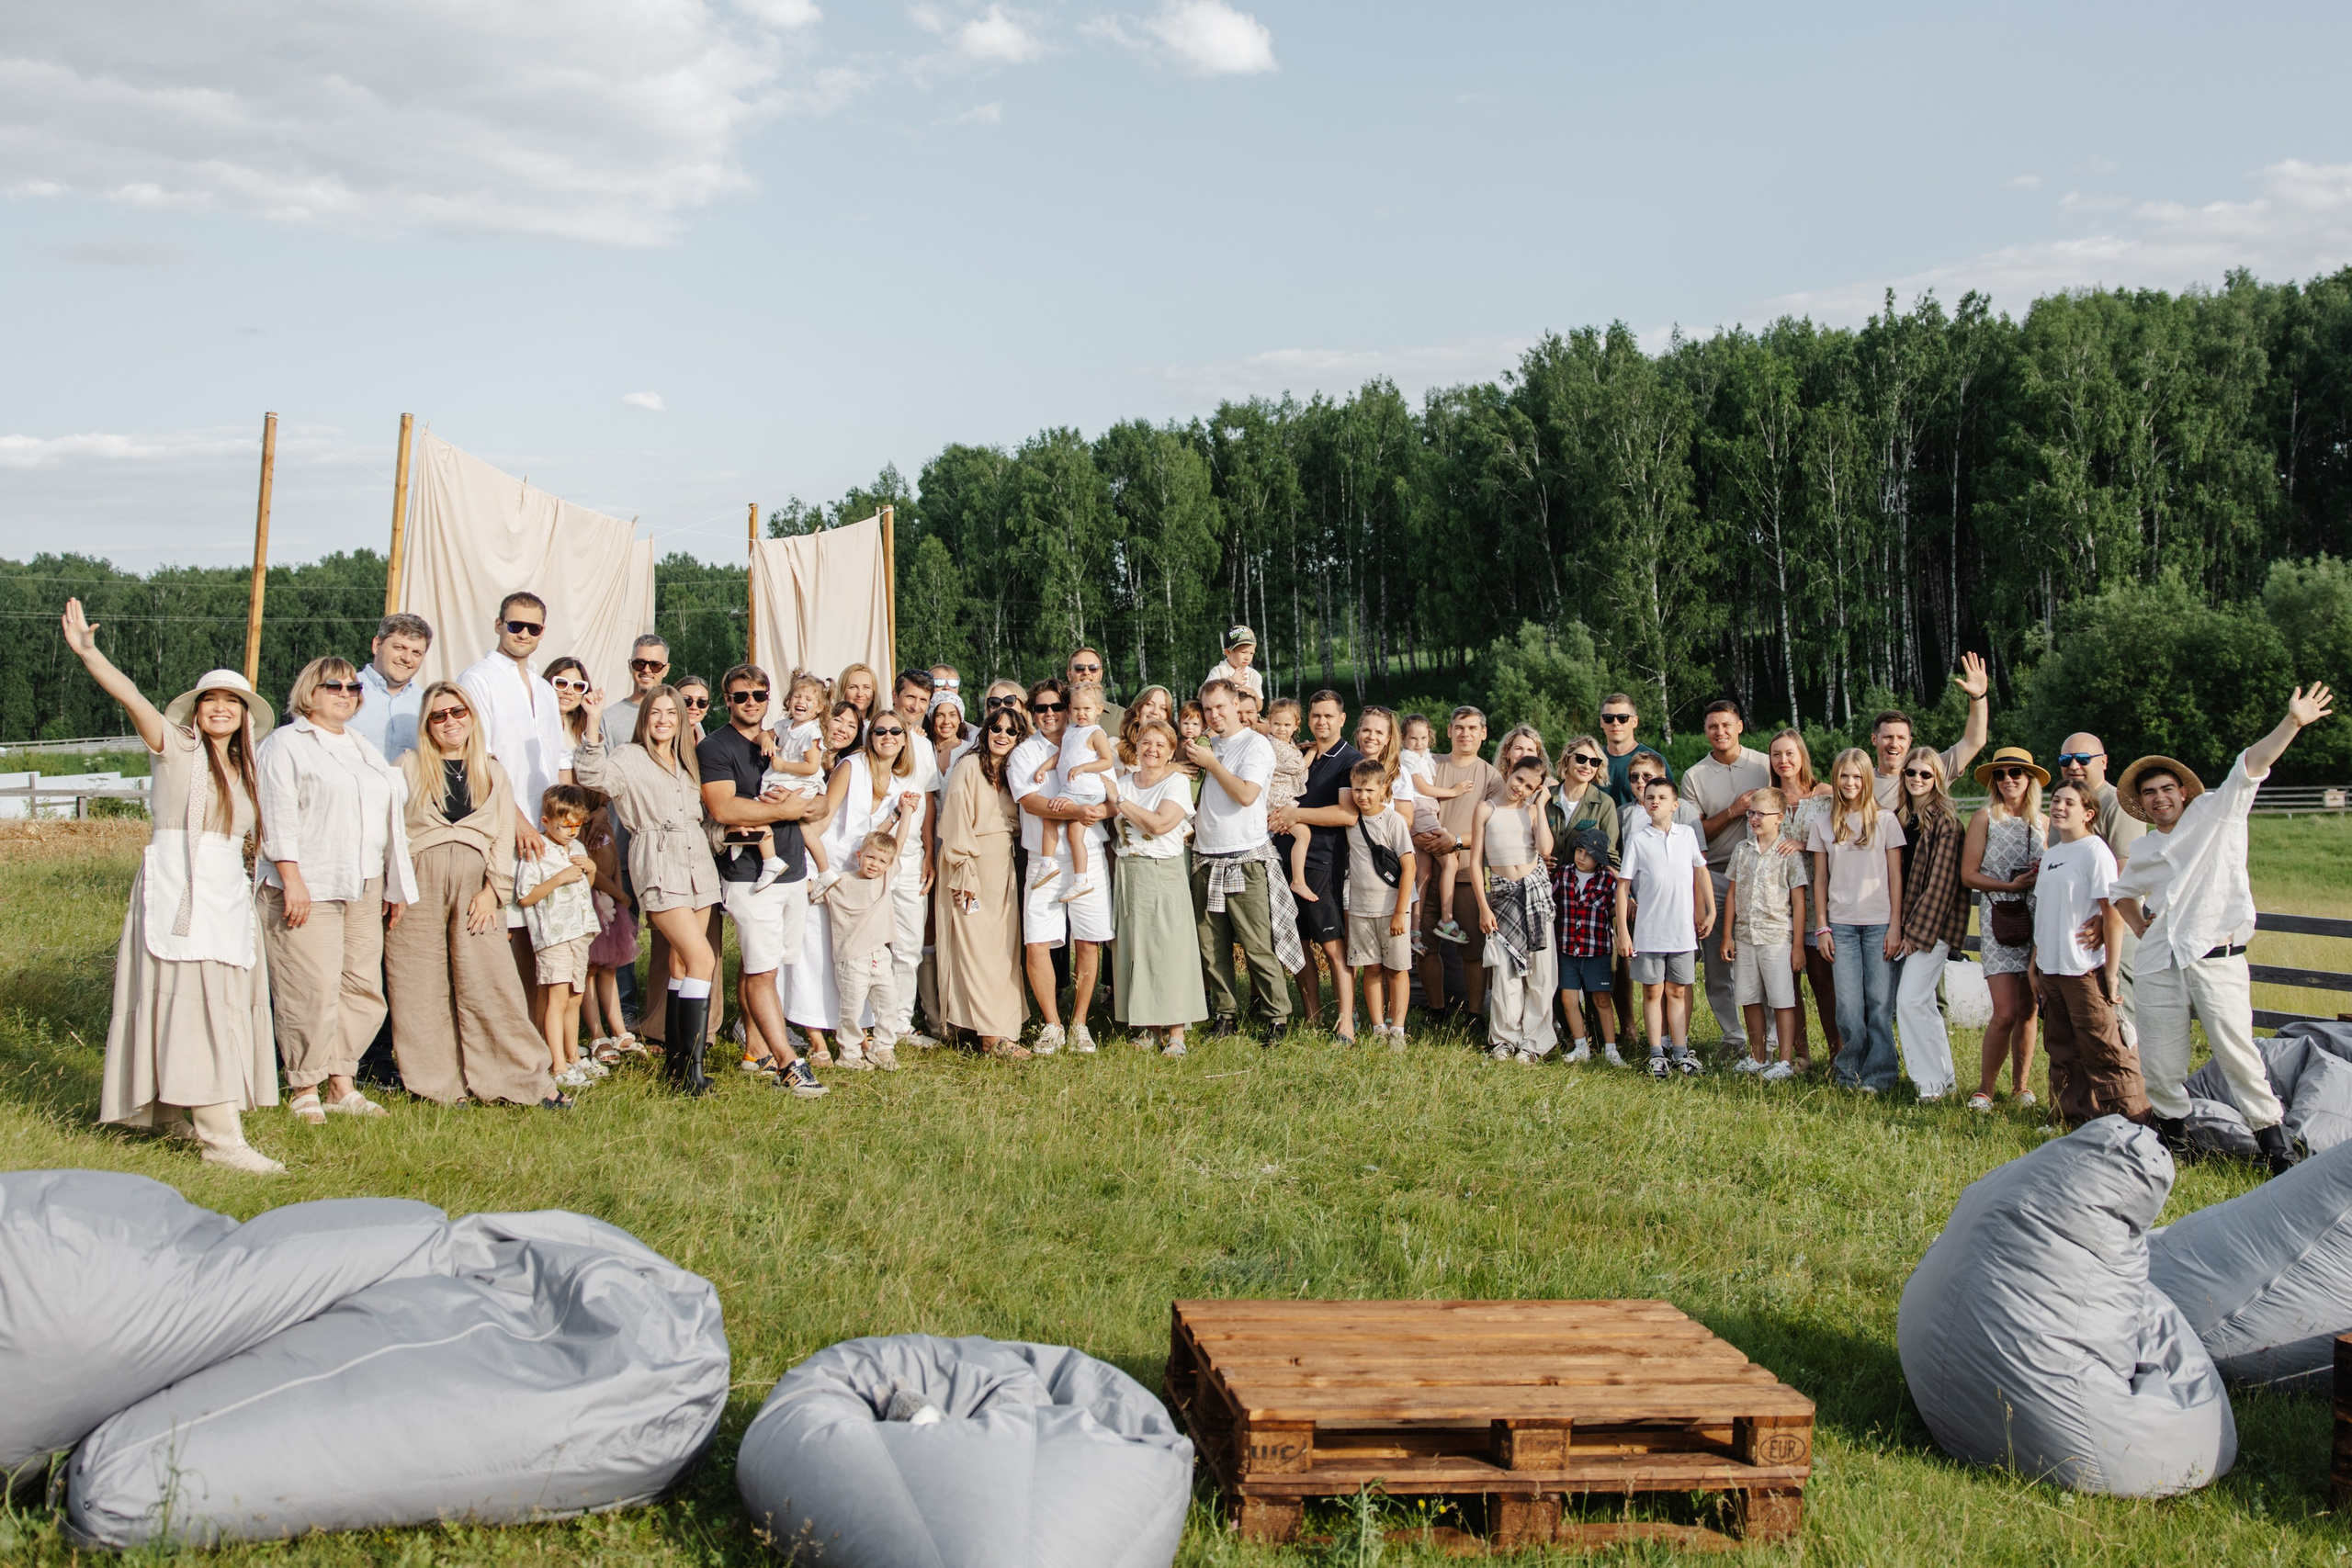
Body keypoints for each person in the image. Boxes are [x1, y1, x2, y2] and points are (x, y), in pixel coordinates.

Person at [64, 602, 282, 1173]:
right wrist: (90, 654)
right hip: (178, 885)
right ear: (196, 710)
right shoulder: (175, 750)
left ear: (244, 717)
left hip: (224, 894)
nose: (219, 710)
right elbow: (132, 696)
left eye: (231, 703)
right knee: (188, 1005)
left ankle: (180, 1114)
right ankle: (222, 1139)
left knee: (216, 1004)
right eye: (210, 701)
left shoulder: (245, 770)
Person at [2114, 684, 2335, 1173]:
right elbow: (2121, 893)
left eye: (2166, 789)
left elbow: (2252, 762)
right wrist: (2143, 930)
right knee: (2161, 1061)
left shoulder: (2218, 810)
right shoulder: (2148, 848)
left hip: (2216, 956)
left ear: (2183, 791)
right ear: (2142, 804)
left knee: (2237, 1053)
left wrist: (2293, 722)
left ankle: (2276, 1148)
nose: (2158, 798)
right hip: (2160, 961)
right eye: (2149, 793)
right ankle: (2175, 1141)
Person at [383, 681, 562, 1109]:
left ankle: (521, 1082)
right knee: (418, 984)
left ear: (471, 717)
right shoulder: (407, 766)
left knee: (491, 983)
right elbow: (389, 832)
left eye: (458, 712)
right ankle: (438, 1085)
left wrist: (493, 892)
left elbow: (503, 834)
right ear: (427, 724)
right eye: (439, 716)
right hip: (417, 883)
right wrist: (396, 889)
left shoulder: (490, 770)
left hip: (475, 886)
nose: (450, 722)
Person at [255, 655, 417, 1124]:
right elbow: (277, 814)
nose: (346, 694)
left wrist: (393, 882)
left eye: (353, 688)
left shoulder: (361, 746)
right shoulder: (286, 744)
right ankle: (305, 1083)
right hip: (311, 882)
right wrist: (291, 877)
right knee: (310, 986)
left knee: (362, 986)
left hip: (363, 881)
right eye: (334, 687)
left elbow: (390, 820)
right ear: (310, 691)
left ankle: (341, 1081)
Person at [574, 683, 723, 1094]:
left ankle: (677, 1067)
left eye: (671, 714)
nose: (663, 720)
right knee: (701, 960)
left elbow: (699, 821)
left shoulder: (686, 762)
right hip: (657, 863)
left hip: (699, 867)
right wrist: (592, 724)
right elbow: (592, 777)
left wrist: (728, 833)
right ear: (645, 719)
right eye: (655, 713)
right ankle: (692, 1074)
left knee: (681, 965)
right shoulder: (628, 757)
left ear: (681, 720)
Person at [698, 665, 826, 1098]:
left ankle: (754, 1049)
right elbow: (723, 808)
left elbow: (819, 797)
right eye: (741, 696)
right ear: (727, 701)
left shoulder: (787, 734)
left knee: (766, 963)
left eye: (758, 694)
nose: (751, 702)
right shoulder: (716, 746)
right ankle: (789, 1065)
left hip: (793, 868)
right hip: (750, 876)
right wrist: (787, 811)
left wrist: (806, 805)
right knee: (762, 969)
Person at [459, 592, 565, 996]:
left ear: (542, 633)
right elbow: (480, 757)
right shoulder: (478, 678)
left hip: (546, 823)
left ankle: (537, 1038)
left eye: (532, 627)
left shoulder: (544, 687)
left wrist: (562, 820)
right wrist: (517, 820)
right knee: (501, 928)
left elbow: (557, 759)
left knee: (540, 933)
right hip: (505, 822)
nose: (523, 633)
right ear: (498, 624)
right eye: (515, 624)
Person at [808, 703, 922, 1066]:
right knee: (822, 952)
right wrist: (818, 870)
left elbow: (883, 839)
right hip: (830, 864)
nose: (887, 737)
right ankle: (819, 1032)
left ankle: (868, 1034)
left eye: (894, 732)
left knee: (861, 957)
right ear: (869, 737)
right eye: (879, 731)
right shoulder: (851, 767)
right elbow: (822, 819)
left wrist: (898, 814)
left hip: (867, 869)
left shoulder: (902, 785)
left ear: (905, 740)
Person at [2031, 779, 2149, 1128]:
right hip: (2051, 968)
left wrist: (2111, 973)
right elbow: (2045, 911)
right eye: (2056, 800)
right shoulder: (2051, 854)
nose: (2059, 807)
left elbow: (2111, 913)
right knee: (2061, 1048)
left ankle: (2133, 1121)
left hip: (2084, 968)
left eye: (2069, 802)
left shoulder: (2094, 851)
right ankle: (2072, 1119)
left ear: (2088, 813)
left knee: (2104, 1048)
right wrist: (2034, 963)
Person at [1191, 678, 1301, 1039]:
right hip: (1205, 856)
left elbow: (1246, 794)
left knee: (1257, 944)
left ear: (1237, 705)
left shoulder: (1256, 745)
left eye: (1220, 707)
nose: (1214, 715)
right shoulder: (1204, 744)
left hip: (1246, 856)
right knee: (1211, 945)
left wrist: (1211, 763)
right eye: (1207, 709)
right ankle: (1225, 1015)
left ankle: (1277, 1018)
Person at [1011, 679, 1114, 1052]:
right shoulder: (1025, 752)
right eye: (1042, 708)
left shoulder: (1088, 737)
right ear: (1032, 713)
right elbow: (1031, 802)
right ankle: (1052, 1024)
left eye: (1058, 706)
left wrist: (1098, 810)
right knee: (1037, 941)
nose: (1051, 714)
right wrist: (1076, 810)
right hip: (1045, 860)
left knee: (1088, 940)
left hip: (1089, 853)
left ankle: (1080, 1023)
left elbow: (1112, 799)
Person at [1809, 749, 1906, 1095]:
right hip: (1841, 926)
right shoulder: (1823, 823)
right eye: (1844, 776)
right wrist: (1822, 927)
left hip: (1880, 923)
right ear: (1835, 779)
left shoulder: (1885, 821)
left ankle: (1880, 1076)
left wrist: (1895, 925)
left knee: (1879, 1003)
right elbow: (1820, 879)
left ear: (1867, 779)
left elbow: (1896, 876)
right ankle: (1849, 1073)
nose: (1850, 783)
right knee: (1848, 1006)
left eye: (1857, 776)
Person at [938, 705, 1032, 1058]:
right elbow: (957, 819)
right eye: (996, 728)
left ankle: (1000, 1026)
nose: (1002, 735)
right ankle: (991, 1037)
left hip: (1002, 866)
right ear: (986, 730)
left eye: (1011, 731)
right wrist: (964, 870)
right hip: (970, 864)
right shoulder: (968, 766)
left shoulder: (1011, 772)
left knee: (1003, 949)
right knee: (977, 948)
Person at [1112, 717, 1207, 1055]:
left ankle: (1176, 1033)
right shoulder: (1123, 781)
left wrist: (1118, 801)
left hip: (1162, 871)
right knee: (1137, 951)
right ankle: (1147, 1027)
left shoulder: (1175, 783)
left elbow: (1160, 824)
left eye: (1160, 745)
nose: (1151, 749)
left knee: (1170, 950)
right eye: (1145, 743)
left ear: (1170, 753)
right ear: (1136, 746)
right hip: (1128, 872)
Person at [1269, 690, 1363, 1036]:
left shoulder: (1349, 760)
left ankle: (1345, 1023)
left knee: (1332, 944)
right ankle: (1312, 1017)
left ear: (1341, 719)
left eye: (1328, 716)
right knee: (1297, 942)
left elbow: (1346, 814)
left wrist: (1294, 813)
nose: (1321, 722)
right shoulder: (1298, 753)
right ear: (1306, 720)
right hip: (1282, 855)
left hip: (1323, 861)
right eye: (1315, 716)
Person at [1683, 699, 1772, 1054]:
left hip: (1760, 875)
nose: (1719, 732)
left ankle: (1769, 1037)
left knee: (1762, 956)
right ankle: (1732, 1036)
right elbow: (1695, 831)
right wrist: (1733, 811)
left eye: (1726, 725)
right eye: (1712, 727)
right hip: (1716, 876)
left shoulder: (1764, 765)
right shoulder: (1695, 775)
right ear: (1706, 732)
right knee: (1718, 962)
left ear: (1739, 726)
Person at [1962, 746, 2046, 1111]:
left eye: (2016, 773)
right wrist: (2009, 887)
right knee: (2005, 1011)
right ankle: (1985, 1088)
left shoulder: (2044, 822)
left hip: (2036, 919)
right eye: (2001, 774)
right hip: (1999, 917)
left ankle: (2021, 1085)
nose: (2009, 780)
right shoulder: (1985, 818)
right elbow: (1968, 874)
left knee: (2028, 1008)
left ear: (2030, 779)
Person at [1615, 775, 1712, 1077]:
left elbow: (1701, 871)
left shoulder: (1686, 835)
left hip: (1681, 933)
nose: (1654, 801)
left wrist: (1710, 911)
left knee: (1678, 991)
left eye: (1661, 797)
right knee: (1652, 992)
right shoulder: (1638, 840)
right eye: (1649, 797)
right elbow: (1623, 887)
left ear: (1675, 804)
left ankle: (1681, 1052)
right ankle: (1656, 1053)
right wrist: (1623, 931)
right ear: (1643, 804)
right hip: (1650, 933)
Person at [2058, 731, 2149, 1037]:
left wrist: (2104, 919)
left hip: (2114, 931)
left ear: (2104, 762)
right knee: (2086, 1026)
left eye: (2083, 759)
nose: (2074, 766)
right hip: (2077, 938)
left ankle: (2134, 1085)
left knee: (2119, 1020)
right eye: (2065, 759)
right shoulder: (2065, 806)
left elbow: (2128, 875)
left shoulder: (2119, 804)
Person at [1413, 707, 1502, 1018]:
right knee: (1424, 945)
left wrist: (1456, 840)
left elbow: (1495, 828)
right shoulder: (1429, 764)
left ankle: (1475, 1014)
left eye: (1473, 728)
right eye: (1459, 727)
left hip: (1466, 873)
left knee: (1473, 951)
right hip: (1424, 871)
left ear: (1483, 734)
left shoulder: (1491, 776)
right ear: (1449, 731)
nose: (1466, 733)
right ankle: (1436, 1010)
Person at [514, 784, 602, 1090]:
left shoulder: (577, 848)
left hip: (580, 932)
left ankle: (573, 1056)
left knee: (575, 997)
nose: (571, 831)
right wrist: (558, 878)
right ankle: (557, 1064)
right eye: (565, 825)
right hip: (553, 935)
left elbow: (585, 886)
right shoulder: (537, 850)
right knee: (557, 997)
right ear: (546, 821)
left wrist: (590, 870)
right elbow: (525, 897)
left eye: (577, 825)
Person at [1472, 754, 1558, 1063]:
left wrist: (1539, 804)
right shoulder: (1486, 809)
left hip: (1534, 893)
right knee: (1505, 971)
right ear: (1509, 772)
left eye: (1528, 786)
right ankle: (1504, 1038)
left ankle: (1534, 1039)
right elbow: (1474, 862)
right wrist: (1484, 907)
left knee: (1540, 973)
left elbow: (1546, 850)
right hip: (1502, 895)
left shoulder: (1531, 811)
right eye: (1518, 780)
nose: (1519, 788)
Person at [1891, 748, 1965, 1101]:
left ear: (1937, 779)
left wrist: (1913, 935)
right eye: (1911, 773)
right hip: (1905, 923)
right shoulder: (1902, 818)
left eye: (1926, 774)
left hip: (1932, 928)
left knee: (1908, 1002)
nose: (1917, 779)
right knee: (1923, 1005)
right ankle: (1944, 1078)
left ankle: (1928, 1084)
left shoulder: (1946, 823)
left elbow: (1941, 886)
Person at [1718, 788, 1808, 1082]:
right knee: (1749, 997)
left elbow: (1798, 902)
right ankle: (1757, 1056)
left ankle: (1783, 1060)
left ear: (1779, 818)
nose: (1754, 819)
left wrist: (1797, 947)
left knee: (1782, 999)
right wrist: (1728, 936)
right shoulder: (1742, 849)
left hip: (1776, 937)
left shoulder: (1788, 854)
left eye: (1761, 814)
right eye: (1751, 813)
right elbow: (1731, 894)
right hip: (1745, 936)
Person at [1766, 728, 1838, 1074]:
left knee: (1824, 984)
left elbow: (1844, 839)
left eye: (1790, 753)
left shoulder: (1824, 795)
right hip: (1780, 905)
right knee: (1788, 987)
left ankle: (1839, 1054)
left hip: (1819, 901)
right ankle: (1800, 1055)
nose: (1784, 761)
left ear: (1802, 756)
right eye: (1777, 754)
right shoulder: (1768, 800)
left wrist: (1804, 845)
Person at [881, 671, 943, 1046]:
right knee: (868, 943)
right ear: (895, 695)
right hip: (871, 855)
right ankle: (865, 1021)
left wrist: (929, 853)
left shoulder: (922, 746)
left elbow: (930, 799)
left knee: (908, 943)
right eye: (910, 698)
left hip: (911, 856)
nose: (916, 706)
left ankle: (900, 1021)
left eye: (923, 700)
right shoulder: (875, 735)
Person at [1342, 760, 1417, 1049]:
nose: (1363, 796)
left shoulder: (1393, 821)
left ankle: (1396, 1029)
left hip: (1391, 909)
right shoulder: (1351, 820)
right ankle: (1377, 1028)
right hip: (1360, 908)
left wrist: (1400, 912)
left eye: (1370, 790)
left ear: (1384, 789)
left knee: (1397, 969)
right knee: (1371, 968)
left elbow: (1408, 867)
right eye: (1358, 789)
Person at [1868, 652, 1991, 809]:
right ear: (1874, 739)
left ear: (1909, 742)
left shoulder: (1929, 770)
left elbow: (1974, 741)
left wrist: (1978, 697)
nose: (1894, 744)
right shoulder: (1860, 780)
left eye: (1901, 738)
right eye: (1887, 737)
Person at [1032, 682, 1118, 906]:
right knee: (1072, 834)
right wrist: (1043, 767)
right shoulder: (1071, 731)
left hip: (1086, 791)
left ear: (1099, 709)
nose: (1081, 714)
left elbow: (1107, 761)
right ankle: (1079, 878)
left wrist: (1083, 768)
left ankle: (1048, 863)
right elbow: (1061, 755)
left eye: (1087, 709)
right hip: (1075, 789)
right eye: (1077, 709)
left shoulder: (1096, 733)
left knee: (1052, 814)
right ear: (1069, 710)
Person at [824, 831, 902, 1071]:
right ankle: (849, 1054)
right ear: (859, 856)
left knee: (888, 1004)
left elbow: (899, 841)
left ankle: (884, 1048)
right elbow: (809, 887)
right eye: (870, 858)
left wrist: (906, 811)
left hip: (880, 955)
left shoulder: (884, 881)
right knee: (851, 1009)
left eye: (881, 861)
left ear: (889, 865)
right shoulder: (839, 881)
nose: (874, 864)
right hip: (852, 958)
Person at [1400, 713, 1478, 944]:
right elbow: (1423, 787)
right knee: (1450, 861)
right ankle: (1446, 920)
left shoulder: (1424, 756)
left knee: (1423, 874)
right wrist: (1454, 792)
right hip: (1422, 809)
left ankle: (1414, 931)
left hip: (1425, 810)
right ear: (1403, 738)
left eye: (1423, 738)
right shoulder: (1407, 758)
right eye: (1413, 739)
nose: (1419, 743)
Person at [1554, 828, 1622, 1066]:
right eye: (1579, 851)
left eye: (1588, 854)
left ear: (1599, 858)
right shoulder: (1563, 874)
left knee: (1602, 999)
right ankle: (1581, 1046)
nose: (1581, 857)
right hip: (1567, 948)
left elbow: (1615, 908)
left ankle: (1611, 1049)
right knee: (1568, 999)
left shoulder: (1608, 879)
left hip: (1597, 949)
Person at [580, 796, 639, 1062]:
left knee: (610, 967)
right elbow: (590, 871)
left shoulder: (604, 826)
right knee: (589, 969)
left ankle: (618, 1029)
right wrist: (619, 894)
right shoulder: (579, 830)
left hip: (611, 905)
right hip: (591, 903)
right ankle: (596, 1033)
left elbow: (614, 858)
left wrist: (619, 898)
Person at [351, 612, 432, 762]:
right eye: (399, 647)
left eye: (416, 653)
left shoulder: (427, 704)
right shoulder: (343, 693)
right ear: (376, 645)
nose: (407, 658)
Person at [1547, 735, 1620, 869]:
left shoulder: (1605, 804)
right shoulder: (1544, 797)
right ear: (1567, 758)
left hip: (1584, 887)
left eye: (1594, 762)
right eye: (1581, 759)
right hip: (1544, 883)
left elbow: (1609, 855)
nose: (1587, 766)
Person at [1597, 692, 1669, 810]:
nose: (1616, 723)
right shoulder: (1590, 762)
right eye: (1608, 718)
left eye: (1622, 718)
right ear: (1601, 722)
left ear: (1635, 721)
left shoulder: (1654, 760)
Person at [605, 634, 671, 745]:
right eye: (639, 663)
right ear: (630, 666)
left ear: (666, 669)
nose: (646, 670)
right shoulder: (607, 719)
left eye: (655, 665)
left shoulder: (681, 714)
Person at [541, 656, 593, 783]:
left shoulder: (585, 728)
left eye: (578, 686)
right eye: (561, 683)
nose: (569, 691)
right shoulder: (531, 723)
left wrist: (593, 716)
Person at [1067, 646, 1125, 736]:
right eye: (1079, 668)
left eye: (1093, 668)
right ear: (1069, 674)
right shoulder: (1056, 715)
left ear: (1101, 674)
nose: (1086, 673)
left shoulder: (1122, 717)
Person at [1205, 625, 1264, 701]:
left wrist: (1254, 695)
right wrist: (1230, 681)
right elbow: (1206, 695)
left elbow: (1259, 706)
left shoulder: (1255, 676)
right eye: (1243, 652)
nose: (1247, 657)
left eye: (1251, 653)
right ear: (1228, 652)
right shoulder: (1219, 671)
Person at [835, 662, 879, 731]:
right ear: (843, 691)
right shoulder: (831, 726)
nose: (860, 694)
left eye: (866, 687)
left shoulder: (878, 729)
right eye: (853, 687)